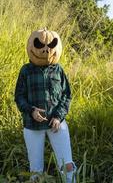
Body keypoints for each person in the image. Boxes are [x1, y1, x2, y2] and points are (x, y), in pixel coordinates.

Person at [15, 28, 76, 183]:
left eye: (51, 44)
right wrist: (31, 110)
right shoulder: (26, 71)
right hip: (32, 125)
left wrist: (58, 116)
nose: (46, 49)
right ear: (31, 46)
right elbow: (19, 96)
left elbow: (66, 95)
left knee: (67, 165)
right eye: (39, 44)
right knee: (35, 170)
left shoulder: (58, 70)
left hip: (57, 124)